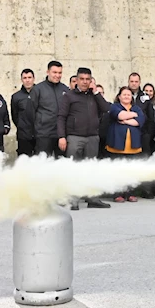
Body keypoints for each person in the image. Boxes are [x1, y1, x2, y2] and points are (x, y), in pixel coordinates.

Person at [58, 67, 112, 210]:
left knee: (91, 169)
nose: (84, 82)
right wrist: (61, 136)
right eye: (82, 79)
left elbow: (106, 108)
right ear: (76, 80)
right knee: (73, 169)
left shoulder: (94, 95)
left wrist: (96, 93)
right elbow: (61, 117)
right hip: (74, 137)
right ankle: (73, 200)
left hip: (92, 137)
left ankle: (92, 199)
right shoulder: (69, 96)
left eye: (88, 79)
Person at [105, 86, 146, 202]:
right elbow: (120, 115)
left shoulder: (137, 108)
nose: (127, 96)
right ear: (119, 96)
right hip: (117, 145)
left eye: (129, 95)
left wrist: (126, 120)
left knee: (131, 171)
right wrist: (133, 115)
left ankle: (130, 193)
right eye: (124, 94)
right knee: (117, 171)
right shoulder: (114, 107)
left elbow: (139, 121)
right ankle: (117, 194)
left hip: (133, 146)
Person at [31, 61, 68, 156]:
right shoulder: (38, 89)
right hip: (44, 135)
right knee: (43, 162)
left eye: (60, 73)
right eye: (54, 72)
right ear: (48, 72)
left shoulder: (65, 89)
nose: (57, 75)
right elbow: (30, 112)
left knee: (61, 162)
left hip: (61, 135)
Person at [10, 68, 36, 156]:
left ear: (33, 79)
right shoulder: (16, 97)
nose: (27, 80)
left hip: (39, 135)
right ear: (21, 80)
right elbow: (15, 116)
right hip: (24, 137)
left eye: (29, 77)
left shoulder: (41, 93)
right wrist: (22, 126)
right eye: (25, 78)